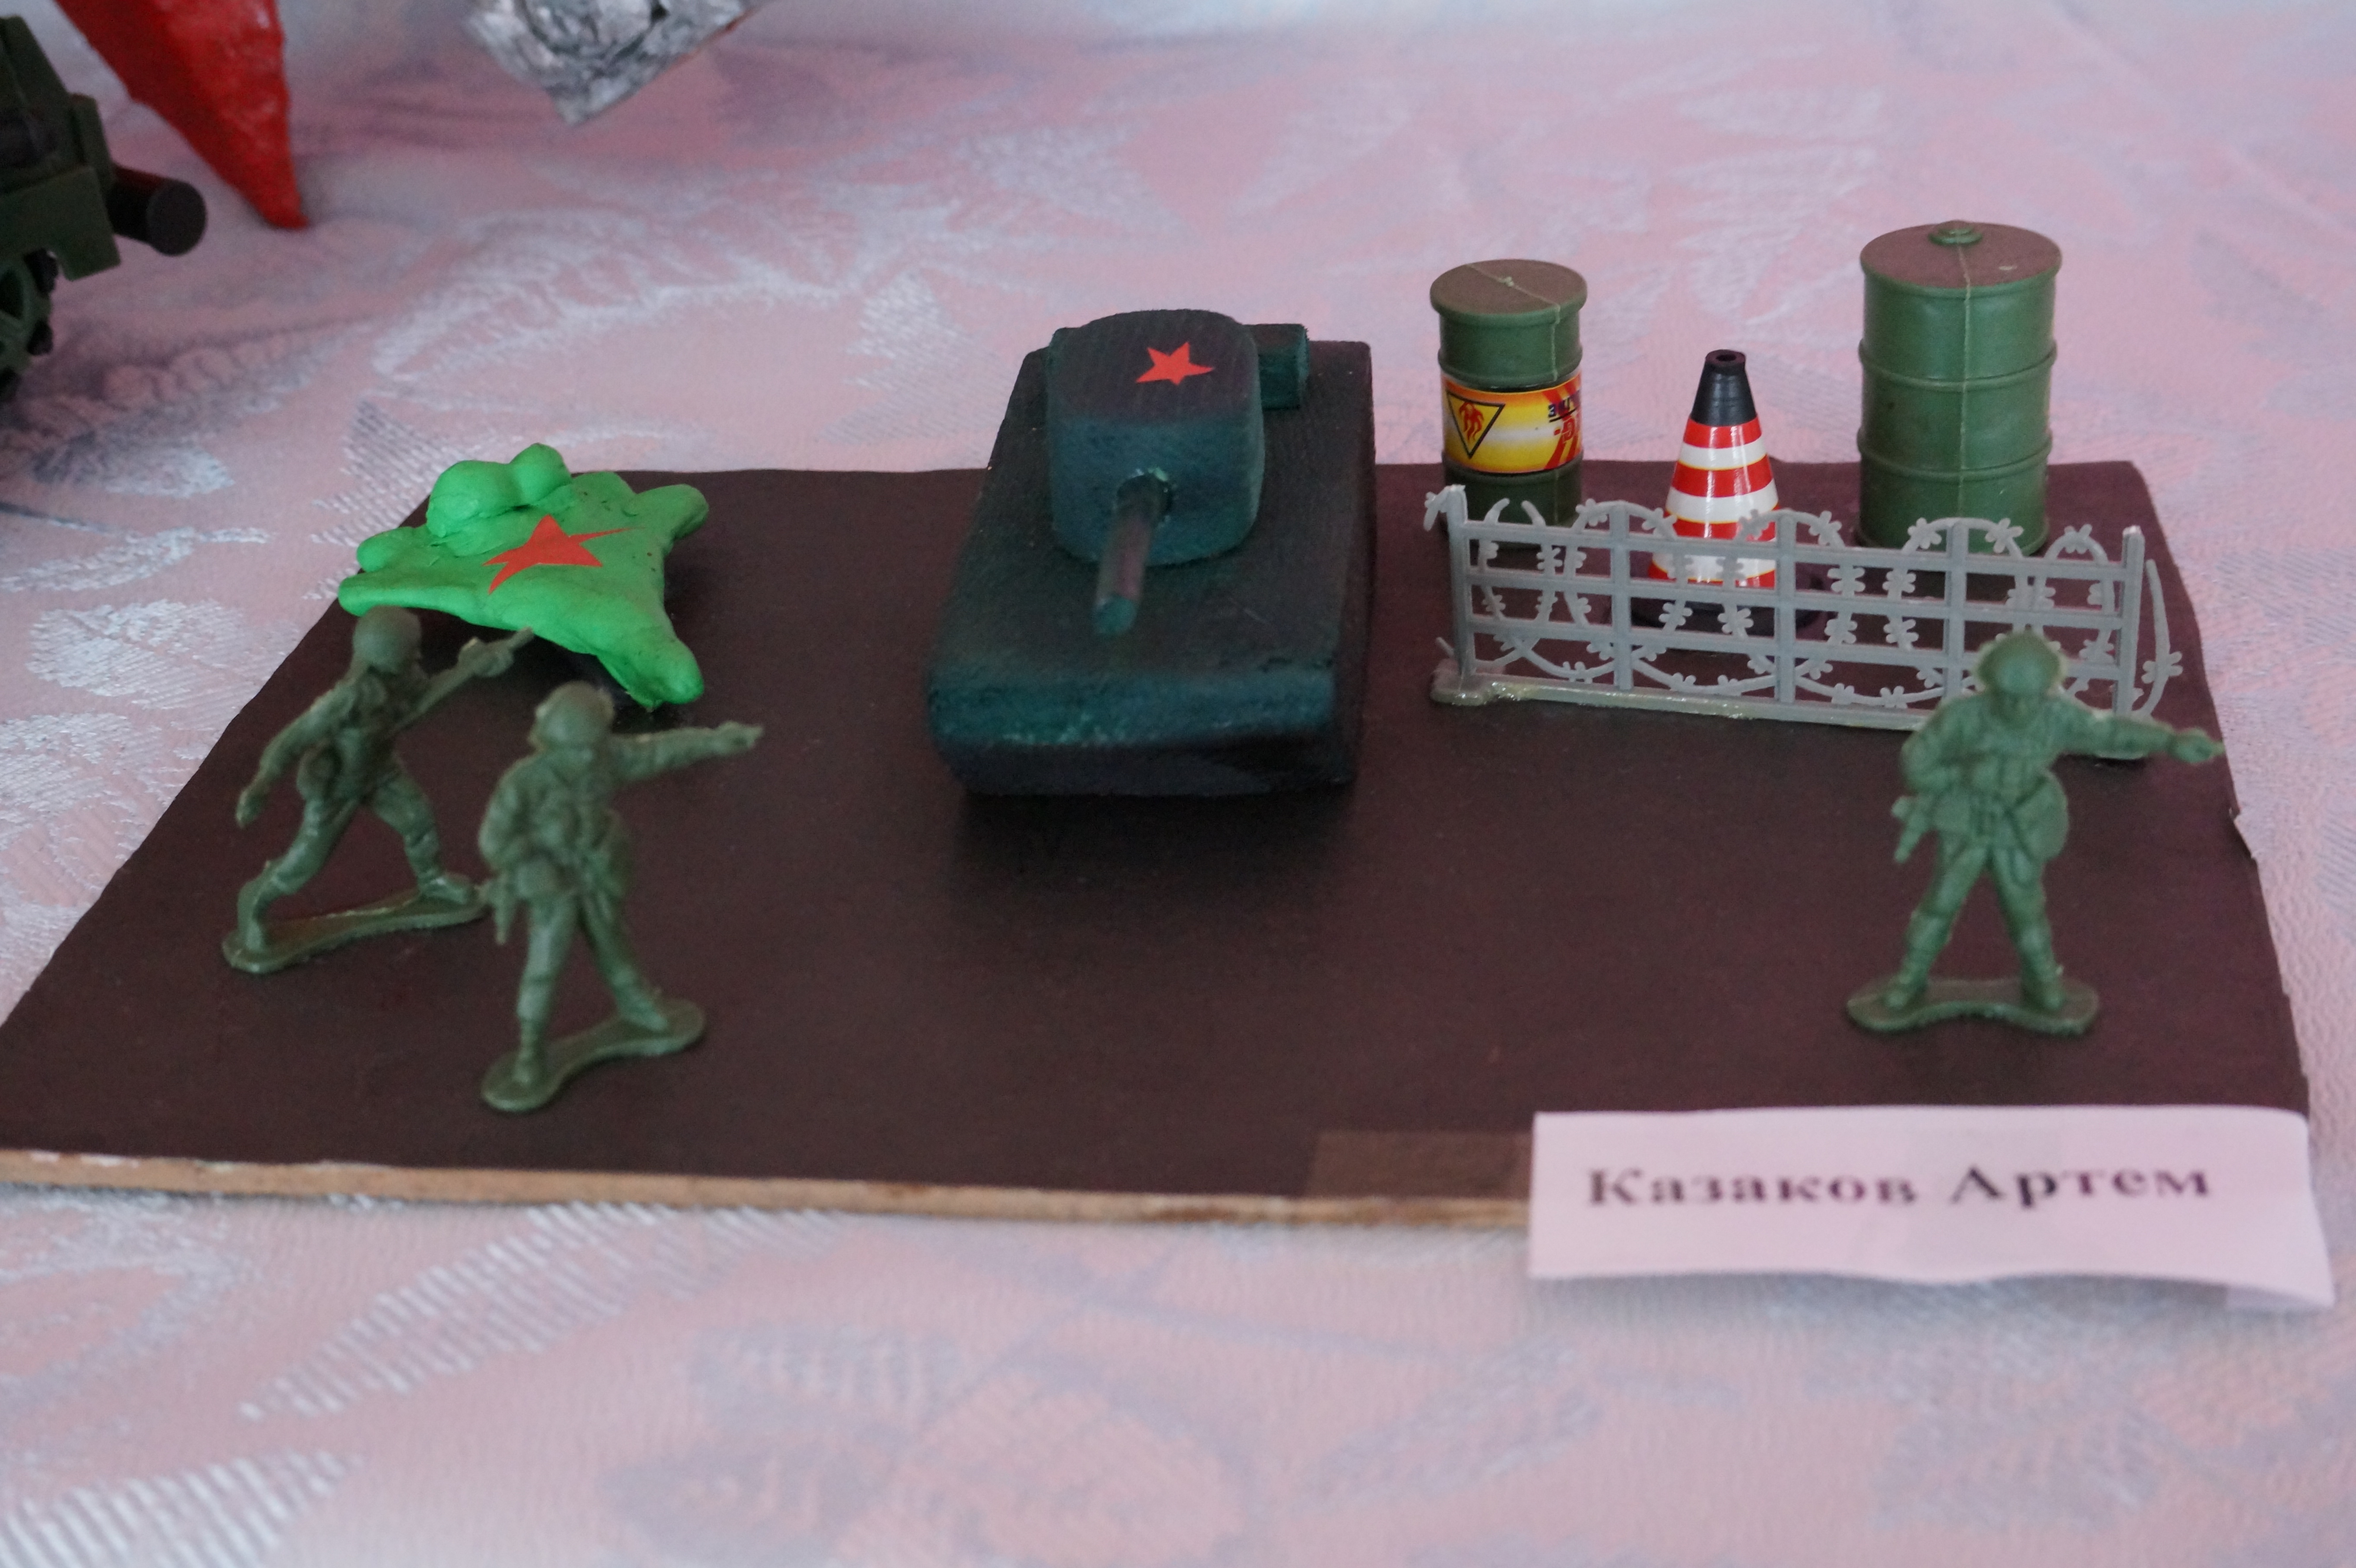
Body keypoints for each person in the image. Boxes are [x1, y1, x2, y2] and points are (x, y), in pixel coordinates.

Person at [1879, 630, 2221, 1017]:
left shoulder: (2054, 717)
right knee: (1940, 903)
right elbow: (1917, 763)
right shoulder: (1963, 718)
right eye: (2008, 696)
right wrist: (1962, 776)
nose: (2019, 708)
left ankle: (2043, 982)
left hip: (2020, 824)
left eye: (2030, 697)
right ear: (1991, 686)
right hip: (1966, 820)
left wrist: (2169, 741)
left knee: (2025, 908)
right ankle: (1909, 980)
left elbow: (2107, 732)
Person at [477, 681, 760, 1110]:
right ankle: (531, 1050)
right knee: (545, 965)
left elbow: (657, 751)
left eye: (594, 746)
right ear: (551, 742)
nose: (589, 758)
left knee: (615, 945)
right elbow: (494, 841)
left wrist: (714, 742)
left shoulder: (607, 758)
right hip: (552, 883)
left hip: (595, 870)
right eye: (577, 749)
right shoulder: (524, 783)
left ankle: (638, 1007)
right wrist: (539, 843)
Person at [228, 606, 526, 969]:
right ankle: (255, 903)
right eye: (409, 650)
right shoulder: (348, 698)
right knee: (303, 864)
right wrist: (262, 785)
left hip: (383, 773)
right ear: (382, 657)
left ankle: (432, 881)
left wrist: (471, 668)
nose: (417, 656)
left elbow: (424, 700)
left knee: (419, 821)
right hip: (339, 789)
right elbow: (291, 740)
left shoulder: (406, 677)